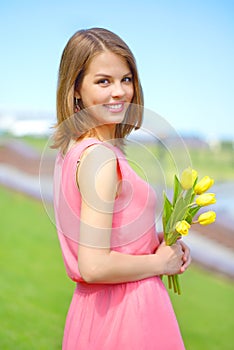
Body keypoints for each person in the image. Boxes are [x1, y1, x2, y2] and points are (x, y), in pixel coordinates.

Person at [52, 27, 191, 350]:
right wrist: (160, 263)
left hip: (95, 312)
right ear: (76, 89)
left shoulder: (77, 150)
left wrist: (160, 243)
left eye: (126, 79)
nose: (119, 92)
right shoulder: (99, 158)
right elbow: (94, 265)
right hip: (126, 314)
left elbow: (107, 236)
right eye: (103, 81)